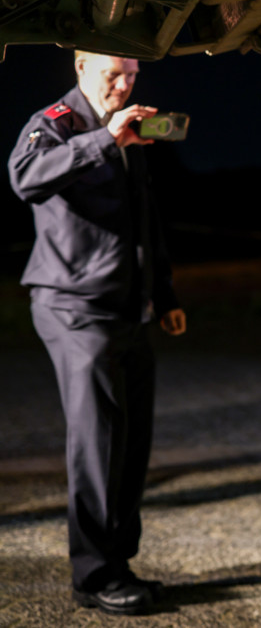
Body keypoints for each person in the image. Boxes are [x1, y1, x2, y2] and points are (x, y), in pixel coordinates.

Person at [7, 51, 186, 616]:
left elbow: (143, 214)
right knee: (97, 444)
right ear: (80, 67)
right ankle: (92, 575)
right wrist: (105, 140)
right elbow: (24, 178)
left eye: (132, 74)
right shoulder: (57, 122)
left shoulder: (127, 128)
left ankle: (117, 564)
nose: (124, 84)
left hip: (129, 307)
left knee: (131, 444)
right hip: (74, 309)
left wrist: (166, 294)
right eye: (112, 74)